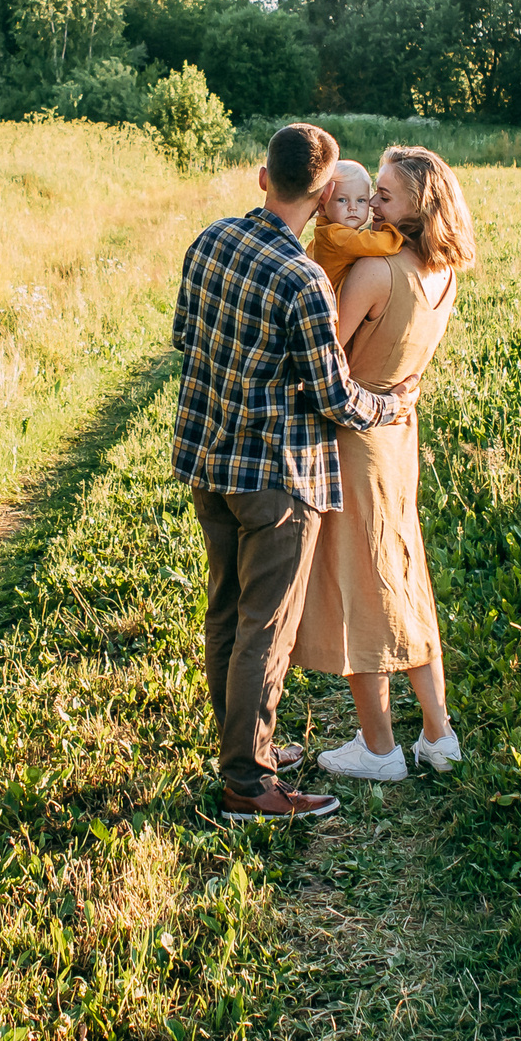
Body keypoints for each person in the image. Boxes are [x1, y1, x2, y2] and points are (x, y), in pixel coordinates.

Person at [173, 123, 419, 824]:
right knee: (266, 627)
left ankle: (240, 749)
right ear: (320, 195)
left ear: (262, 178)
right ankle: (248, 783)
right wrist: (391, 403)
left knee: (226, 610)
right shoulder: (304, 279)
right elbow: (334, 395)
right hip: (276, 479)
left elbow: (186, 338)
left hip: (208, 462)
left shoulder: (210, 241)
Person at [292, 145, 476, 781]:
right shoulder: (444, 274)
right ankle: (438, 734)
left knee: (361, 589)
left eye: (387, 196)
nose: (373, 206)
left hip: (357, 438)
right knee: (406, 574)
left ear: (419, 208)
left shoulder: (378, 273)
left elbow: (323, 365)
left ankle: (378, 750)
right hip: (401, 437)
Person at [306, 160, 404, 291]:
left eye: (361, 200)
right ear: (322, 206)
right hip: (338, 301)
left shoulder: (325, 232)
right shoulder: (335, 234)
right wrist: (396, 235)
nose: (353, 207)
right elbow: (374, 243)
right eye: (342, 200)